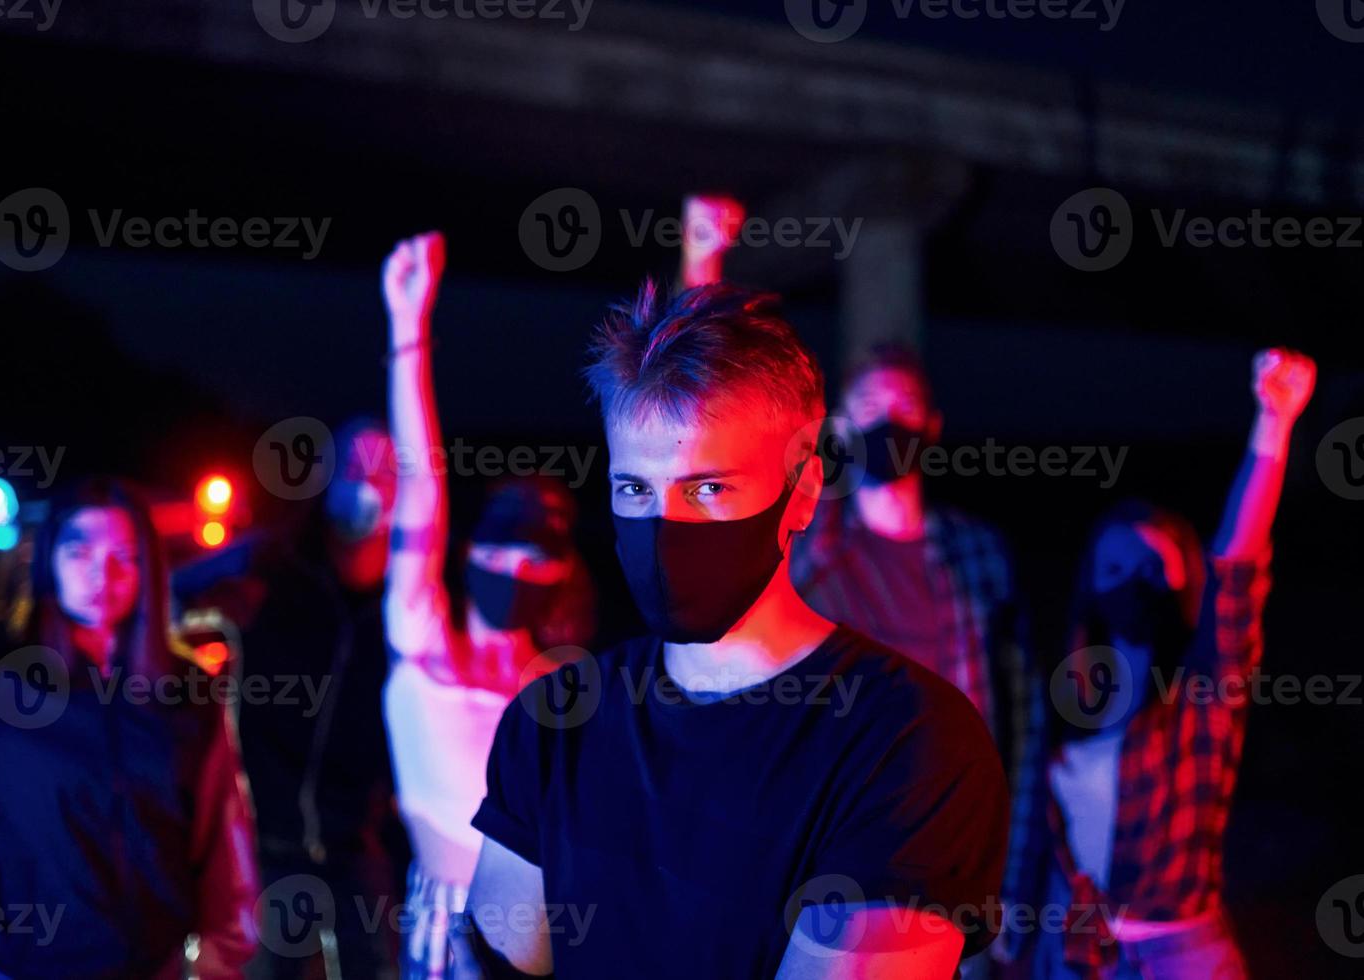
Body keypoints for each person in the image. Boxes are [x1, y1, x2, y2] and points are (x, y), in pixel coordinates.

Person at [458, 281, 1009, 979]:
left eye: (707, 489)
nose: (663, 528)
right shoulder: (552, 725)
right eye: (635, 490)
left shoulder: (908, 744)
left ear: (802, 493)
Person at [0, 477, 259, 978]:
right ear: (49, 562)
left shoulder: (187, 691)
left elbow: (224, 830)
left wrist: (226, 953)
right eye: (78, 550)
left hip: (152, 968)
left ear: (146, 569)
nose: (100, 574)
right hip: (16, 968)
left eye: (123, 556)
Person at [1030, 349, 1315, 979]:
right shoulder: (1069, 694)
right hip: (1081, 950)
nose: (1133, 582)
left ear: (1185, 581)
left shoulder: (1205, 688)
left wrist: (1273, 424)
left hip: (1179, 953)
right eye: (1115, 569)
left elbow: (1240, 564)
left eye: (1153, 566)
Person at [377, 232, 596, 979]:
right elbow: (421, 490)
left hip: (541, 925)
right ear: (470, 553)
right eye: (503, 549)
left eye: (538, 555)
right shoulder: (423, 644)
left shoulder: (558, 686)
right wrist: (410, 329)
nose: (517, 568)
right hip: (444, 918)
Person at [789, 343, 1046, 972]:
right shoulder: (810, 553)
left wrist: (1008, 885)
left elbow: (1023, 724)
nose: (888, 423)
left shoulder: (978, 556)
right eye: (871, 407)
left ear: (931, 426)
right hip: (837, 861)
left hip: (954, 864)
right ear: (842, 429)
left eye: (904, 407)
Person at [182, 420, 407, 980]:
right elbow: (165, 596)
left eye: (386, 469)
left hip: (362, 847)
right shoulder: (271, 563)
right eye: (354, 467)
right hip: (266, 847)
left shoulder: (413, 593)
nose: (368, 484)